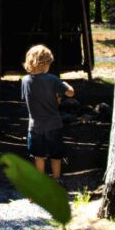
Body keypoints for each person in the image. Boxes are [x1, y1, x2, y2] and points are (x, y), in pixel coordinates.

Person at [20, 44, 74, 179]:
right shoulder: (53, 79)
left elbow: (29, 100)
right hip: (53, 124)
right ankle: (56, 180)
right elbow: (70, 93)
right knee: (56, 156)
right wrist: (66, 84)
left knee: (39, 156)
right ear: (45, 63)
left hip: (35, 126)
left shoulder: (25, 81)